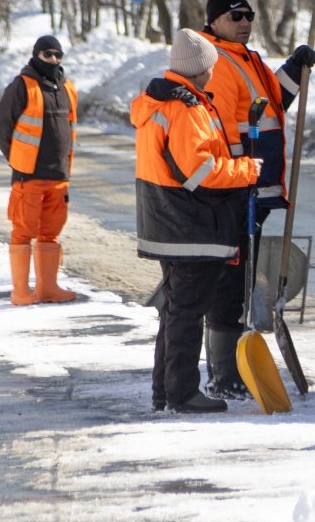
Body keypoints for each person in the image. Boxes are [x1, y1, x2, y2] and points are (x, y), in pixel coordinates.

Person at [132, 28, 262, 414]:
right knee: (186, 313)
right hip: (187, 224)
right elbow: (201, 172)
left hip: (166, 221)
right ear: (200, 69)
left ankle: (166, 390)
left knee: (175, 310)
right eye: (210, 67)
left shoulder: (158, 102)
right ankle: (182, 393)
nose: (212, 73)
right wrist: (246, 171)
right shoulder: (186, 110)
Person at [197, 0, 315, 399]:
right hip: (235, 187)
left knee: (242, 272)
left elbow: (272, 104)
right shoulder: (215, 63)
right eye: (235, 16)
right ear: (215, 21)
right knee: (230, 278)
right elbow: (220, 129)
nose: (245, 22)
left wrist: (294, 68)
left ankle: (232, 365)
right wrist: (237, 175)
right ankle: (223, 373)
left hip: (255, 186)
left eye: (249, 15)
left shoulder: (247, 58)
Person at [0, 34, 78, 305]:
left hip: (59, 176)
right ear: (36, 55)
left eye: (57, 55)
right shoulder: (22, 86)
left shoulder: (68, 89)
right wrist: (16, 160)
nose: (53, 60)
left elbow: (71, 130)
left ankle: (48, 288)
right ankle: (21, 292)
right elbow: (2, 127)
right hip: (28, 175)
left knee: (50, 233)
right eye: (47, 55)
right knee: (22, 231)